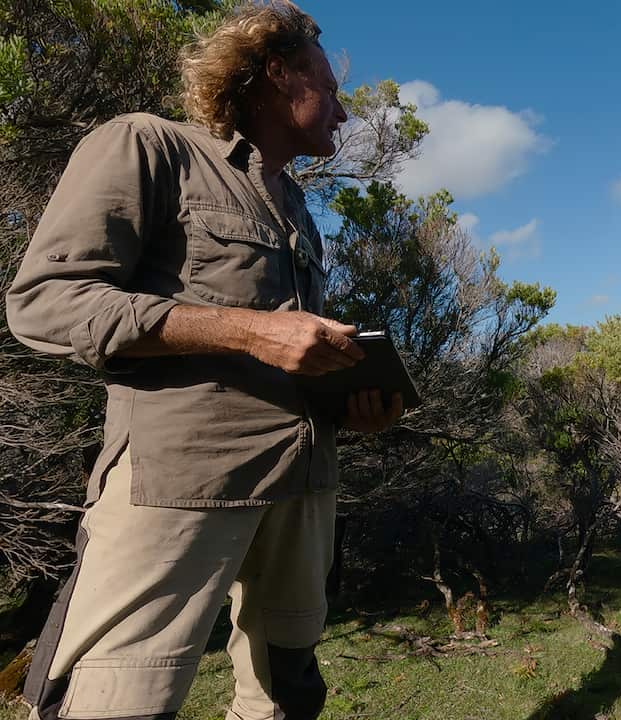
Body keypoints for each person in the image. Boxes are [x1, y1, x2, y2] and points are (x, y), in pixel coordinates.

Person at [4, 3, 401, 719]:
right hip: (179, 480)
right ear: (277, 71)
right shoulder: (148, 146)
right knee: (114, 700)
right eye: (331, 87)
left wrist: (355, 402)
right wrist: (248, 331)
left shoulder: (297, 209)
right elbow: (45, 303)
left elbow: (287, 353)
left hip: (303, 488)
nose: (344, 111)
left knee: (285, 694)